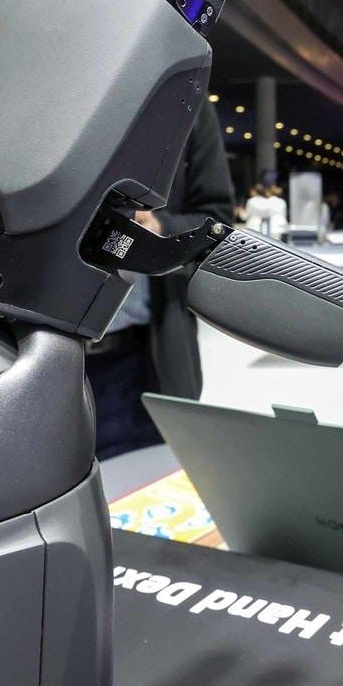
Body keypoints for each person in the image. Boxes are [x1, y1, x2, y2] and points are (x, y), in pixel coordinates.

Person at [85, 99, 234, 458]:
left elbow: (215, 219)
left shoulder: (187, 99)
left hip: (140, 359)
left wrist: (160, 228)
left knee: (148, 481)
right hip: (34, 356)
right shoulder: (36, 84)